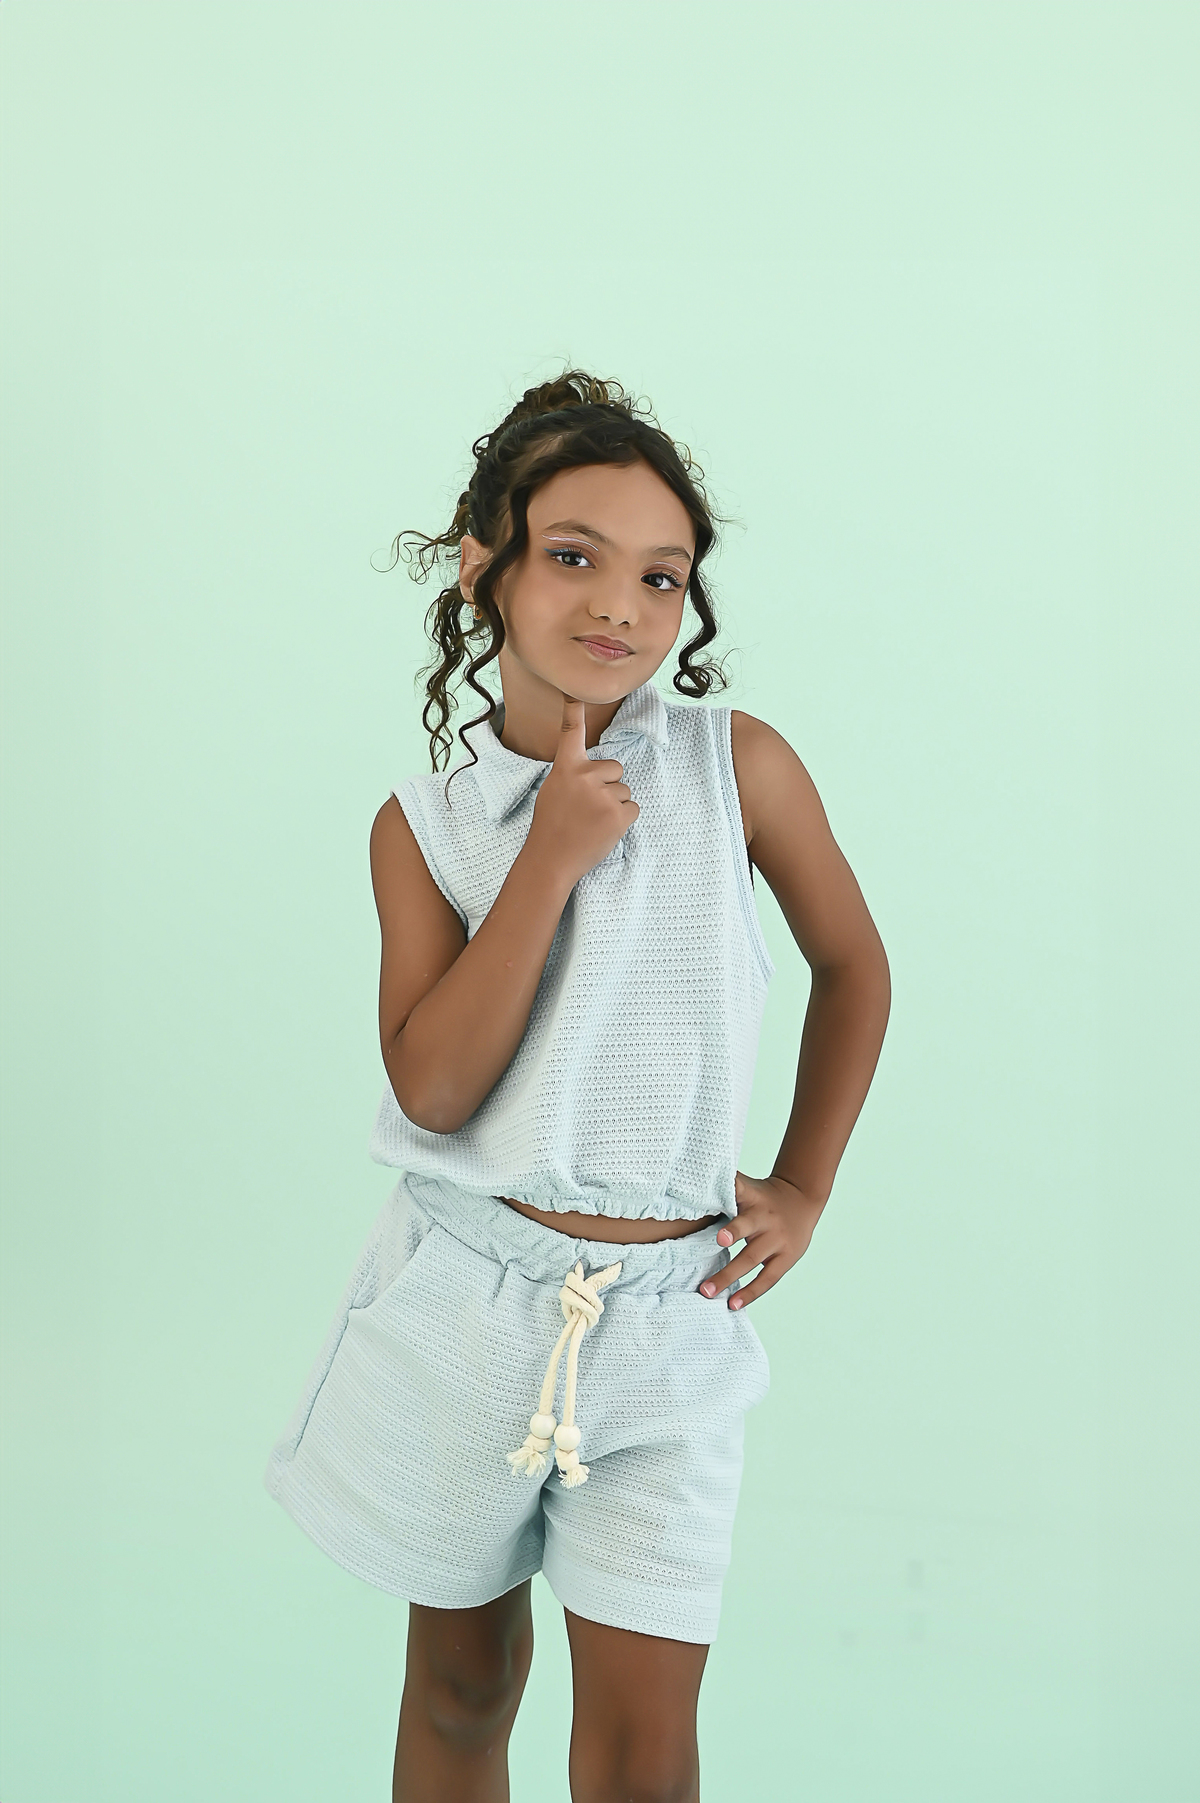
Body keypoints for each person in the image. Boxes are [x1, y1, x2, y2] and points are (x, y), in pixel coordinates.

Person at [264, 371, 891, 1802]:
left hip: (668, 1324)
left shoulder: (738, 770)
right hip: (467, 1307)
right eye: (573, 555)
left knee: (643, 1747)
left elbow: (855, 964)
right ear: (483, 564)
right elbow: (433, 1089)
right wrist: (548, 854)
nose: (620, 605)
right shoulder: (426, 828)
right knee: (462, 1687)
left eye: (660, 576)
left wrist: (805, 1183)